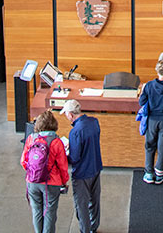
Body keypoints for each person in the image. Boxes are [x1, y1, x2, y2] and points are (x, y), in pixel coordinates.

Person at [21, 110, 69, 233]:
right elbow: (63, 166)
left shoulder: (31, 138)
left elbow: (23, 161)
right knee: (49, 213)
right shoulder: (56, 142)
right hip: (51, 183)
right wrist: (64, 181)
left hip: (32, 181)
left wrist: (33, 172)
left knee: (36, 211)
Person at [61, 100, 102, 233]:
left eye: (66, 114)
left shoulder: (75, 132)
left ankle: (85, 229)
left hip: (82, 173)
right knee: (95, 200)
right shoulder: (94, 122)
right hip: (95, 167)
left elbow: (75, 157)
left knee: (82, 204)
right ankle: (94, 227)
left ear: (71, 114)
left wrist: (64, 153)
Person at [139, 59, 163, 184]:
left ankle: (149, 173)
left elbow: (141, 102)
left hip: (152, 119)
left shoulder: (149, 86)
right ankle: (160, 172)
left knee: (149, 145)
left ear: (157, 71)